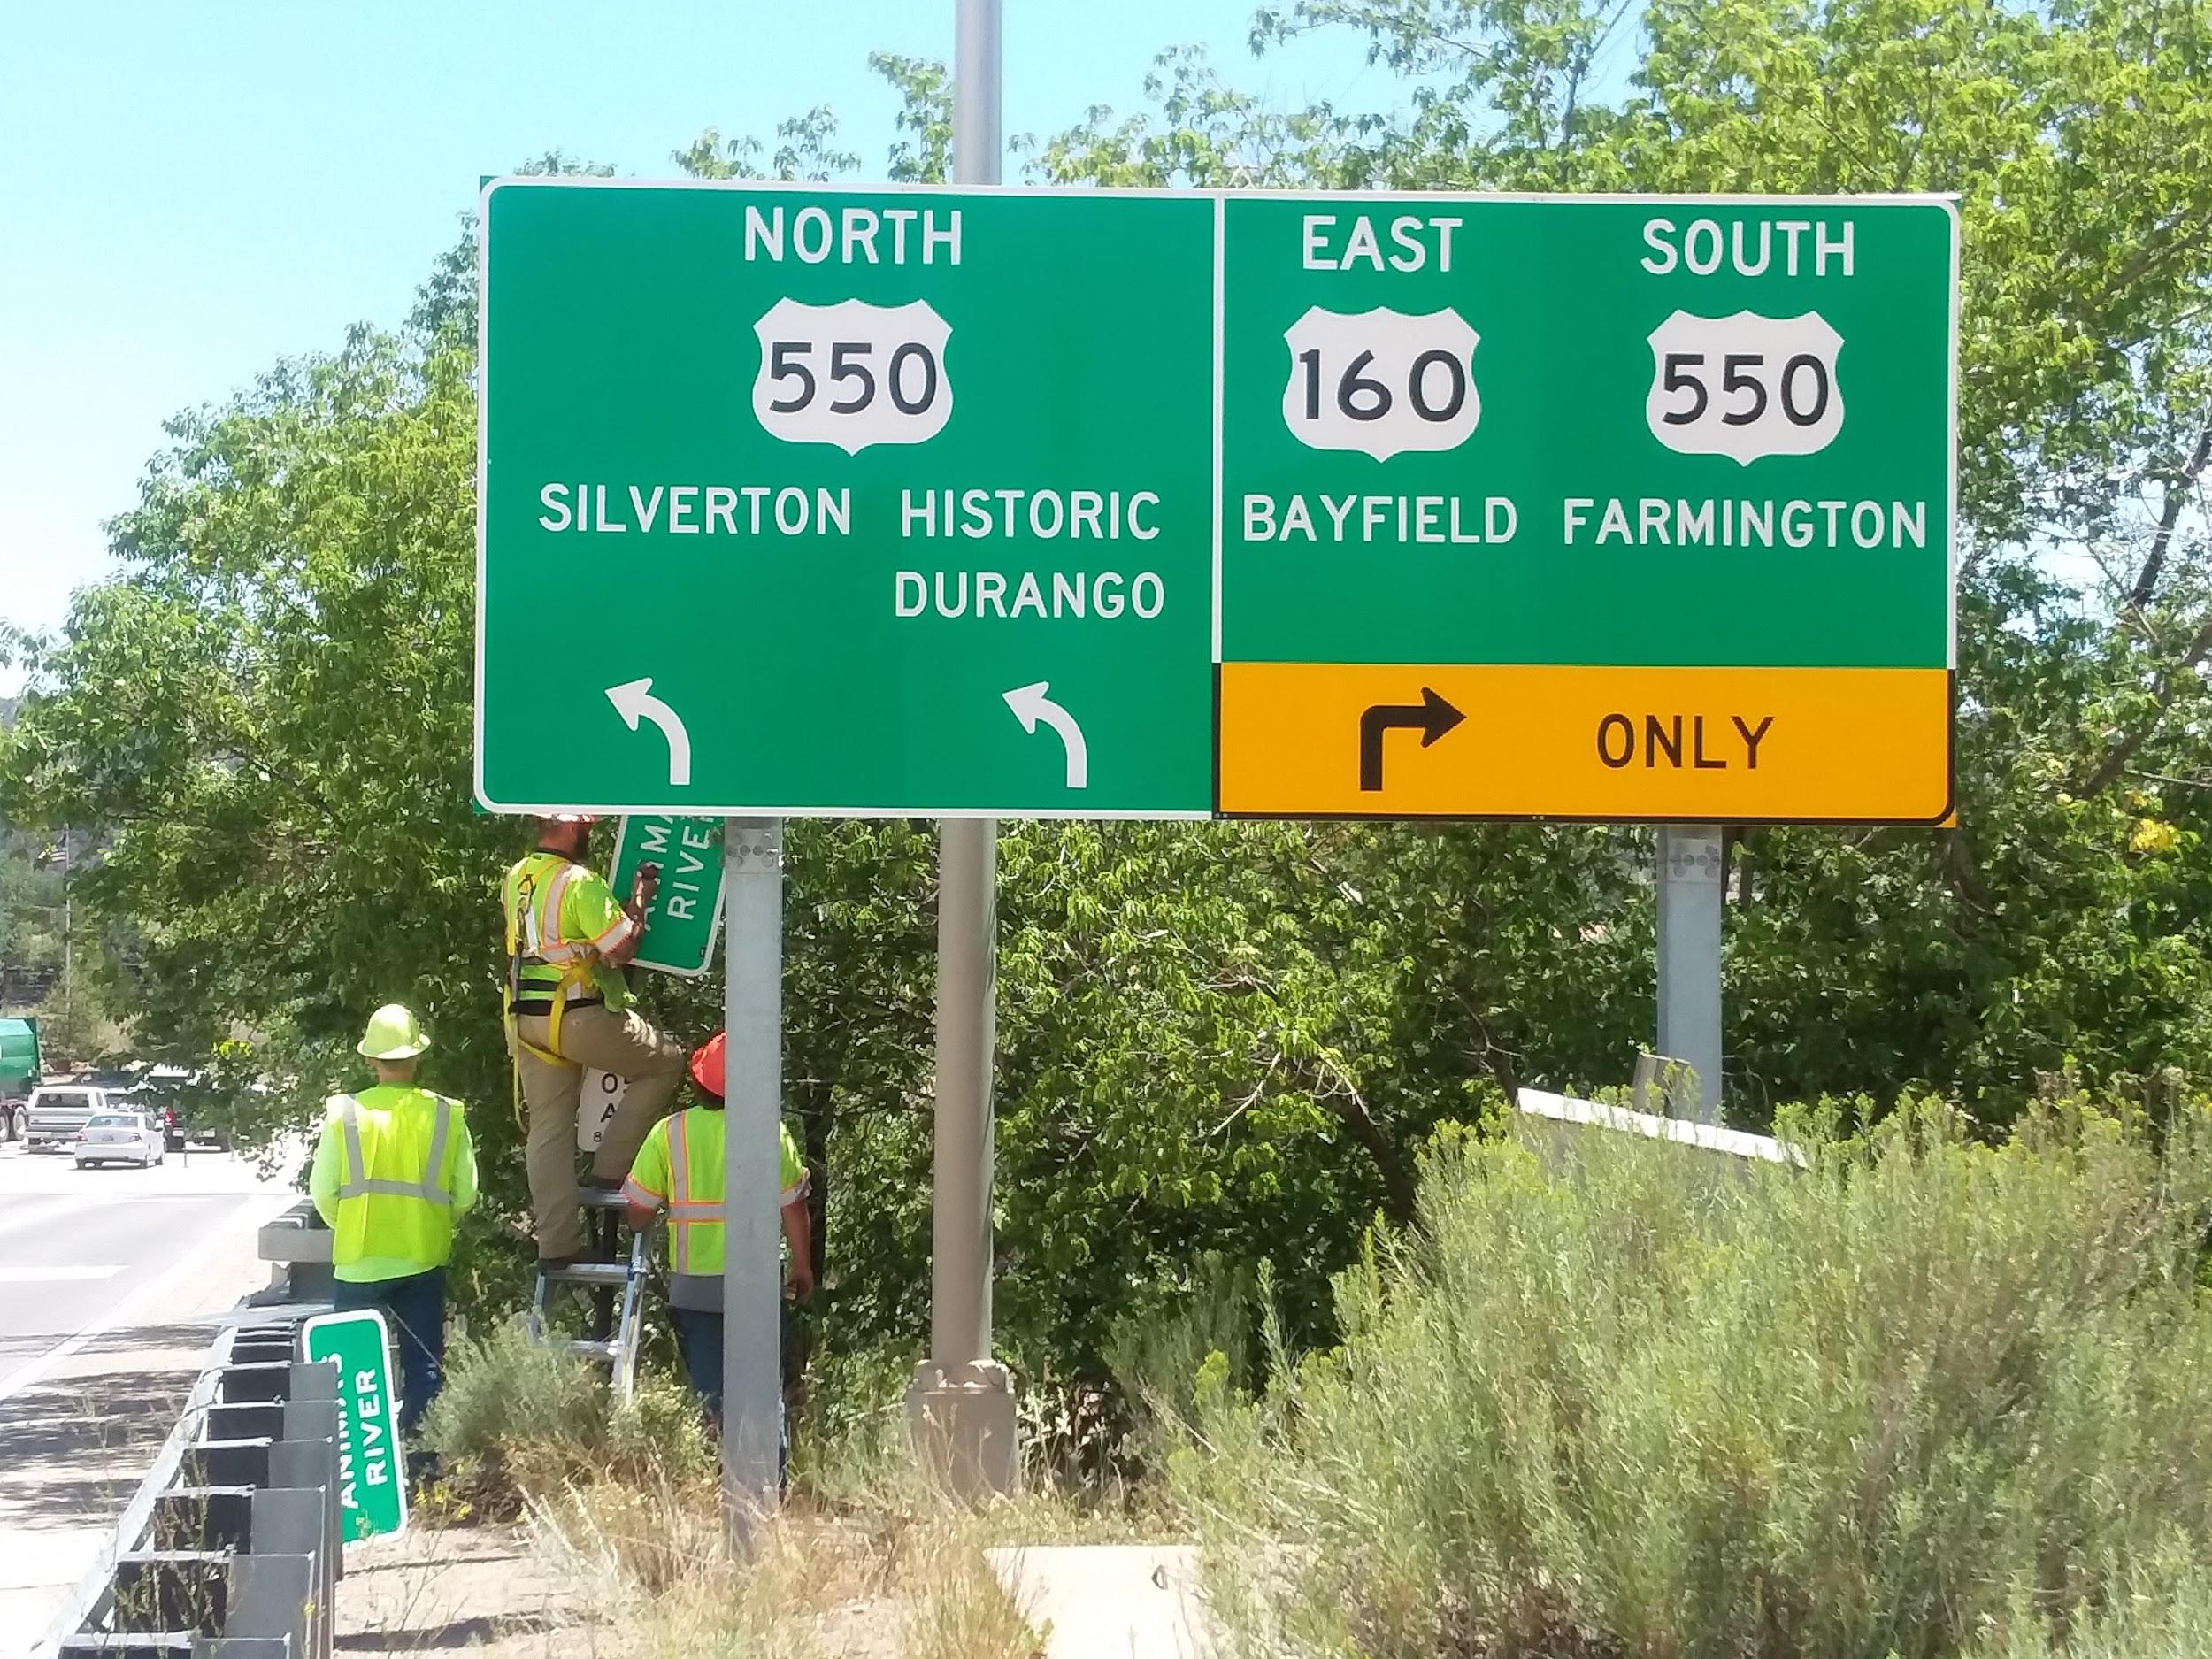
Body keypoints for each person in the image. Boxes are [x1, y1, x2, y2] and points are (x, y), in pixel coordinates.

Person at [502, 813, 687, 1267]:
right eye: (586, 825)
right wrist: (640, 899)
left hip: (526, 1019)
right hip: (577, 1017)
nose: (591, 831)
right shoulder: (578, 882)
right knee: (667, 1062)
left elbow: (562, 938)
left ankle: (557, 1245)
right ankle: (609, 1170)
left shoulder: (518, 876)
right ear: (568, 828)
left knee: (548, 1130)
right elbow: (622, 948)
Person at [621, 1032, 813, 1425]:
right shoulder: (769, 1131)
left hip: (695, 1285)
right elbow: (793, 1206)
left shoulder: (668, 1132)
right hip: (756, 1282)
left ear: (697, 1081)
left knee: (712, 1395)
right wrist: (802, 1267)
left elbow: (637, 1211)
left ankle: (721, 1474)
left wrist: (647, 1222)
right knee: (763, 1395)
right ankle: (768, 1480)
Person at [310, 1003, 478, 1433]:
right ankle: (421, 1463)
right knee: (424, 1367)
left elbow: (323, 1192)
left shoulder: (345, 1114)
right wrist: (432, 1220)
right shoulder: (445, 1114)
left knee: (350, 1370)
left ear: (370, 1059)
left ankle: (358, 1470)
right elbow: (466, 1194)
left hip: (358, 1260)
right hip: (422, 1256)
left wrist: (349, 1224)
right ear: (417, 1056)